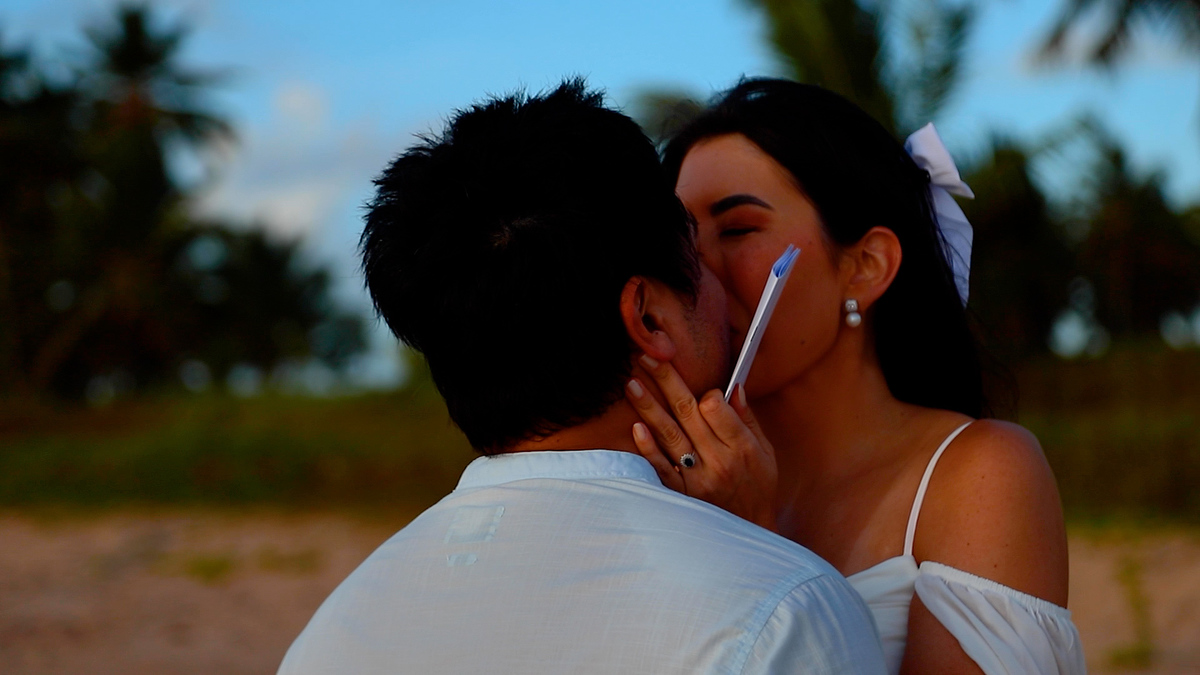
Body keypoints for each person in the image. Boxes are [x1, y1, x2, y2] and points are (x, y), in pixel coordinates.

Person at [277, 79, 887, 675]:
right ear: (648, 317)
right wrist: (756, 548)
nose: (725, 285)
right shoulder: (781, 617)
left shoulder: (328, 637)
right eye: (698, 256)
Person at [624, 79, 1086, 675]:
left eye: (737, 230)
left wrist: (753, 544)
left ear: (866, 267)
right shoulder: (658, 476)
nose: (697, 274)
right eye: (682, 245)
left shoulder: (978, 474)